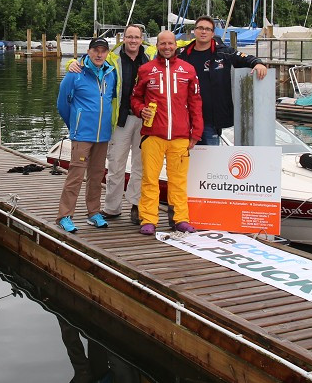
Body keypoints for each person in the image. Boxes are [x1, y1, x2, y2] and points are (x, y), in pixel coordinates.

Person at [68, 25, 154, 225]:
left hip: (144, 117)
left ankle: (135, 205)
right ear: (123, 38)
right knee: (116, 164)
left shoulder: (150, 53)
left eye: (136, 37)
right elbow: (89, 60)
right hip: (121, 118)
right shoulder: (113, 56)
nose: (133, 40)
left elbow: (175, 46)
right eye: (129, 37)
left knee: (140, 166)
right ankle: (112, 207)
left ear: (142, 39)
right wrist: (72, 62)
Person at [131, 30, 203, 236]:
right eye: (162, 43)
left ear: (175, 45)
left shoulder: (188, 70)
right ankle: (149, 219)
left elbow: (196, 103)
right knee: (150, 179)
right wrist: (139, 109)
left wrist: (195, 133)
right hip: (153, 134)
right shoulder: (146, 70)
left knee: (178, 181)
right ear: (157, 45)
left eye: (170, 43)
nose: (167, 47)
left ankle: (180, 218)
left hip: (180, 136)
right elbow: (135, 98)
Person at [56, 37, 118, 233]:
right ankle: (64, 215)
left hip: (103, 134)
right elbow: (62, 104)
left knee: (97, 175)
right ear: (89, 52)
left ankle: (93, 213)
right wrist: (75, 124)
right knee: (75, 175)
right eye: (96, 50)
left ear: (107, 53)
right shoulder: (75, 73)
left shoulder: (111, 73)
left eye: (103, 50)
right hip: (82, 134)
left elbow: (110, 101)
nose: (99, 54)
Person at [178, 16, 268, 145]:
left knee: (211, 160)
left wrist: (258, 63)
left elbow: (245, 58)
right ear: (194, 31)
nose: (204, 32)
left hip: (212, 120)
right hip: (185, 118)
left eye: (208, 29)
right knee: (183, 159)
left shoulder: (224, 53)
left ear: (213, 33)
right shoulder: (182, 55)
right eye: (200, 28)